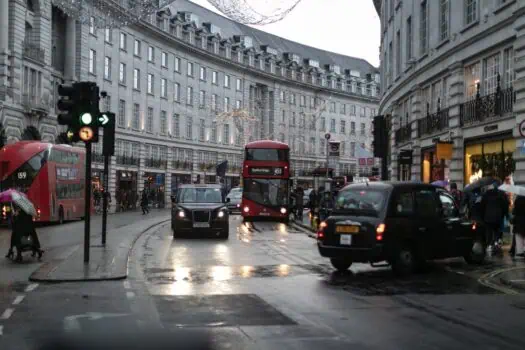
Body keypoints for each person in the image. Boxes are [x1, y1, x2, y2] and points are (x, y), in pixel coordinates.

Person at [480, 181, 509, 252]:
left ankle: (489, 245)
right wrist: (505, 214)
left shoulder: (487, 194)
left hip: (488, 216)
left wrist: (483, 214)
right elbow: (505, 205)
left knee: (489, 231)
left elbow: (482, 205)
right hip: (498, 216)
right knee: (497, 230)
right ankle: (496, 243)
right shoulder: (502, 194)